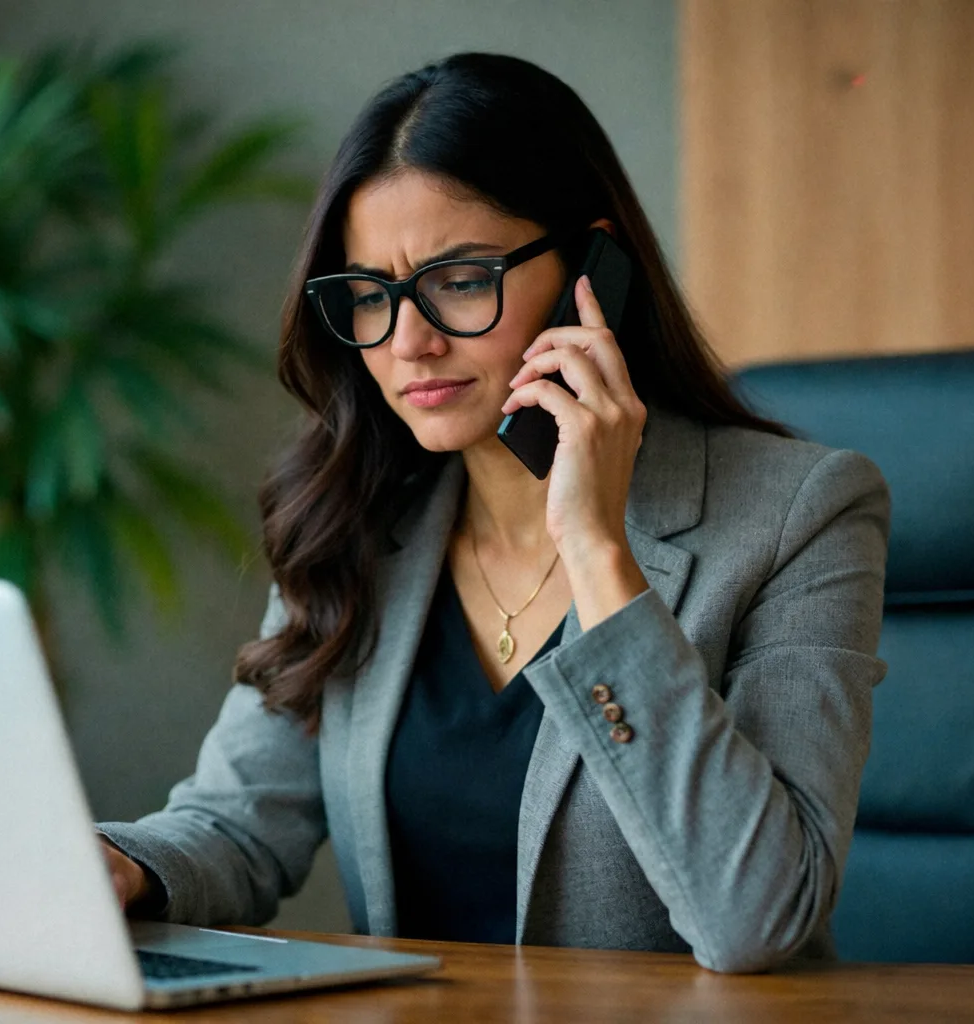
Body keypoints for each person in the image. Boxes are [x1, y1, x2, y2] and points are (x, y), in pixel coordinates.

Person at [93, 52, 889, 974]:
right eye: (369, 296)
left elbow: (760, 918)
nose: (410, 343)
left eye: (461, 280)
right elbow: (237, 824)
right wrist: (122, 867)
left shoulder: (800, 514)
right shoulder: (356, 519)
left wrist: (595, 551)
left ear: (595, 267)